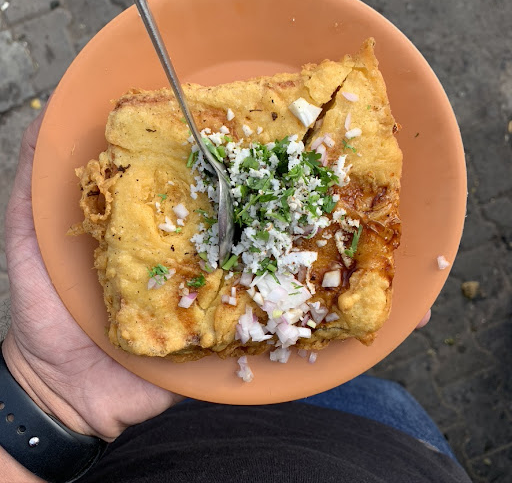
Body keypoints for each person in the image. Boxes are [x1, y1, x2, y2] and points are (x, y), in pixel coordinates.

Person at [0, 110, 471, 483]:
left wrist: (50, 394)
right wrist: (53, 393)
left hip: (147, 441)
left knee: (374, 391)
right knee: (384, 399)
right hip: (387, 442)